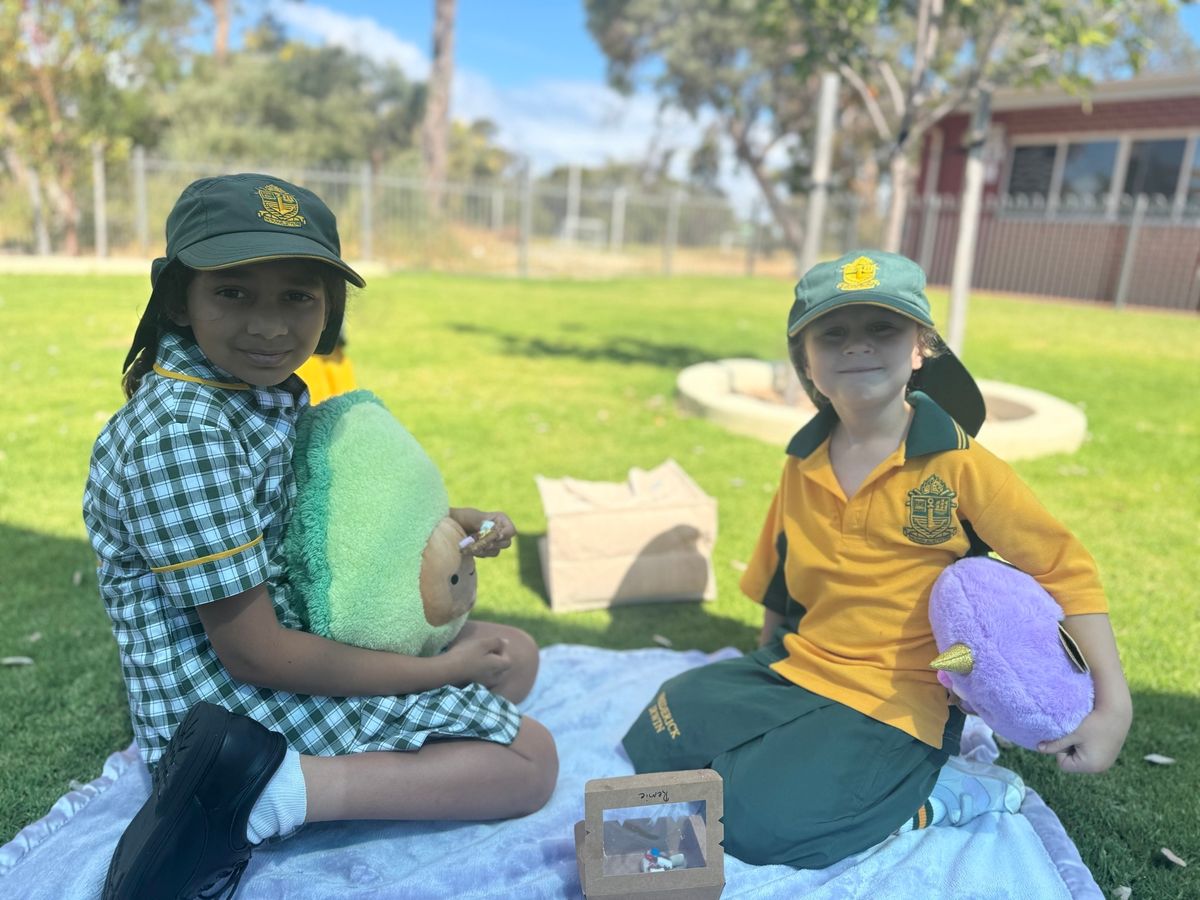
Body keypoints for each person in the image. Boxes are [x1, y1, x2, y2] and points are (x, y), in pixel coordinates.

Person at [83, 173, 558, 900]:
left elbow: (314, 516)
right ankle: (266, 795)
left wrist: (452, 521)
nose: (270, 326)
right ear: (179, 298)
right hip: (223, 701)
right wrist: (437, 673)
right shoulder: (183, 434)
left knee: (513, 657)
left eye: (296, 297)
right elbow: (254, 653)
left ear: (329, 304)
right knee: (531, 760)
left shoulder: (245, 394)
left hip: (277, 636)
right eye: (234, 292)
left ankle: (332, 768)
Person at [622, 250, 1131, 869]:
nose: (857, 345)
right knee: (664, 723)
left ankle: (944, 793)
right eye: (832, 333)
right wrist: (762, 680)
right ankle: (806, 762)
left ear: (920, 347)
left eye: (882, 328)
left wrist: (1113, 709)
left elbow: (1065, 570)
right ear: (806, 361)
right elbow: (780, 577)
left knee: (757, 823)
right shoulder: (802, 460)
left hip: (901, 697)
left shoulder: (961, 465)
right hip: (804, 663)